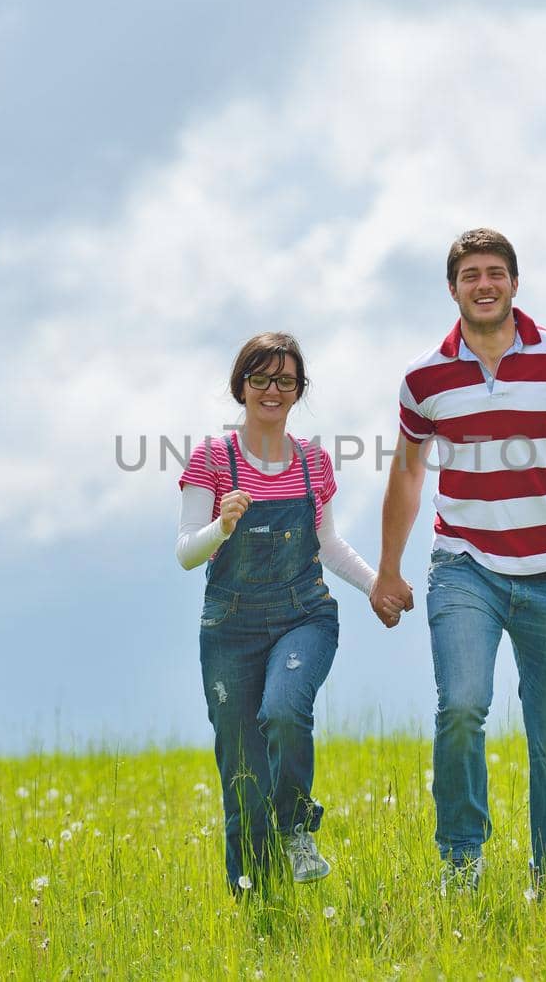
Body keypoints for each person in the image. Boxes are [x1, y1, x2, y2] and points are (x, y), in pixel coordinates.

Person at [370, 228, 546, 892]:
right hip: (464, 568)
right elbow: (405, 477)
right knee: (460, 706)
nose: (484, 285)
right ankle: (462, 862)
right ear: (453, 288)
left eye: (495, 273)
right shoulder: (424, 378)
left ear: (515, 282)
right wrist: (390, 570)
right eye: (470, 276)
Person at [176, 331, 377, 893]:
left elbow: (329, 545)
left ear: (298, 390)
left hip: (302, 615)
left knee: (285, 711)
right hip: (230, 628)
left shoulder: (313, 461)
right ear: (241, 386)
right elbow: (186, 552)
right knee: (242, 776)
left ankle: (295, 826)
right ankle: (260, 904)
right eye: (260, 378)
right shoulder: (212, 459)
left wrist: (375, 586)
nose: (271, 389)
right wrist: (223, 525)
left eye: (284, 380)